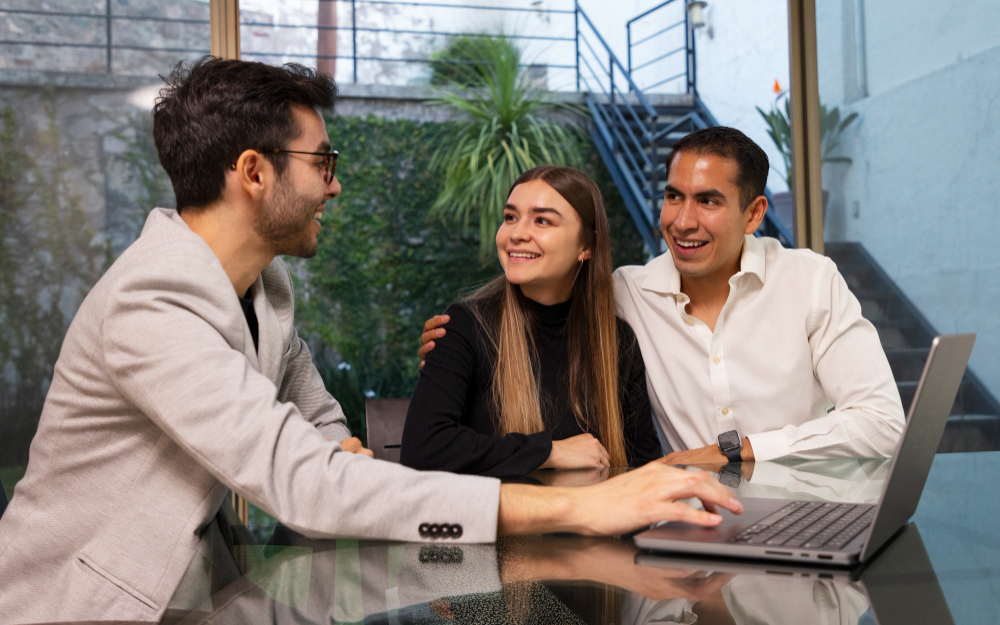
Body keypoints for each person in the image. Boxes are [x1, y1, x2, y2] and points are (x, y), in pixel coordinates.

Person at [0, 58, 742, 624]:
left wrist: (340, 465)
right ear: (253, 172)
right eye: (322, 163)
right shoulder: (152, 301)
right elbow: (307, 483)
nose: (335, 185)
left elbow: (324, 430)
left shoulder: (266, 291)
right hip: (89, 606)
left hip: (208, 592)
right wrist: (580, 508)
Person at [419, 127, 905, 466]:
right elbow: (544, 304)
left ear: (755, 214)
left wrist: (734, 452)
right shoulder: (623, 294)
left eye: (708, 201)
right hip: (683, 526)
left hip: (801, 511)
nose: (683, 221)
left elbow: (881, 423)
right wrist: (457, 341)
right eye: (674, 197)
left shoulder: (810, 280)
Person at [401, 166, 663, 477]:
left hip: (597, 509)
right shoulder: (466, 327)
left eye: (542, 221)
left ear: (586, 246)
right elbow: (422, 449)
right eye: (511, 217)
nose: (516, 233)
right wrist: (550, 451)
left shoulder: (617, 341)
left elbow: (643, 467)